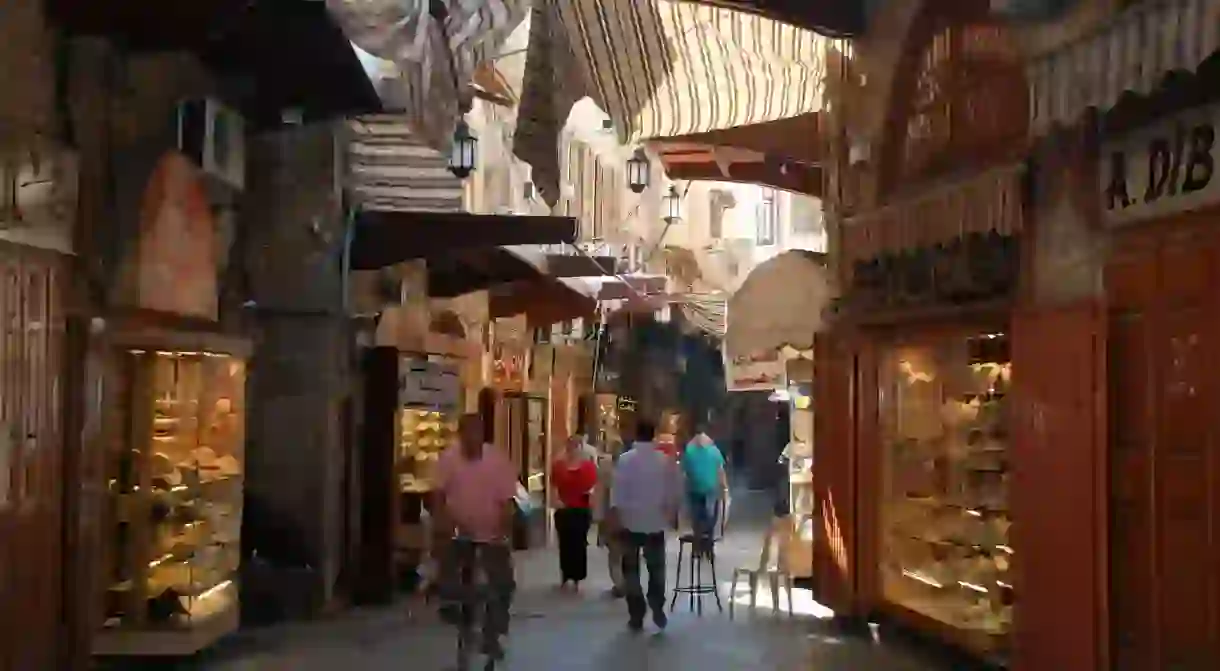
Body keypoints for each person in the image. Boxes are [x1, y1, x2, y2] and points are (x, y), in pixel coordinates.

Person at [432, 414, 518, 661]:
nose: (472, 440)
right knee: (446, 561)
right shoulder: (449, 459)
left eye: (476, 434)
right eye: (467, 434)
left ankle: (492, 634)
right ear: (460, 435)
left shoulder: (497, 460)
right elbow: (438, 494)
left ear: (483, 435)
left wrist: (504, 528)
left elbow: (507, 501)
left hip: (490, 533)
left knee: (502, 583)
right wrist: (442, 522)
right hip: (459, 531)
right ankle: (448, 603)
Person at [608, 420, 681, 632]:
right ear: (654, 435)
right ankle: (657, 605)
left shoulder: (624, 460)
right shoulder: (665, 461)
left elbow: (617, 492)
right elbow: (674, 490)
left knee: (631, 570)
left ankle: (636, 613)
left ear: (635, 434)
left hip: (629, 522)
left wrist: (614, 516)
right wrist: (672, 513)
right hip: (656, 521)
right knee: (656, 567)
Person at [551, 435, 598, 591]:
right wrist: (556, 500)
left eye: (576, 446)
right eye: (571, 445)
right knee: (565, 544)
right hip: (564, 510)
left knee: (579, 544)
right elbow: (553, 486)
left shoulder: (588, 467)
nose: (573, 449)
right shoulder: (559, 466)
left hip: (581, 510)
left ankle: (577, 576)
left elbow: (592, 488)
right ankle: (565, 574)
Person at [681, 429, 729, 558]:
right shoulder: (714, 451)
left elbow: (684, 473)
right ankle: (708, 546)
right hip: (710, 489)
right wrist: (724, 488)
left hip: (694, 489)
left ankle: (697, 547)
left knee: (697, 518)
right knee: (710, 518)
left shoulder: (689, 451)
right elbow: (720, 471)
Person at [592, 439, 625, 598]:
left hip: (616, 516)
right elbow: (600, 494)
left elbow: (600, 494)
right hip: (616, 516)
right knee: (617, 552)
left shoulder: (608, 468)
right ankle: (621, 583)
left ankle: (620, 584)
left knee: (616, 553)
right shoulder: (608, 468)